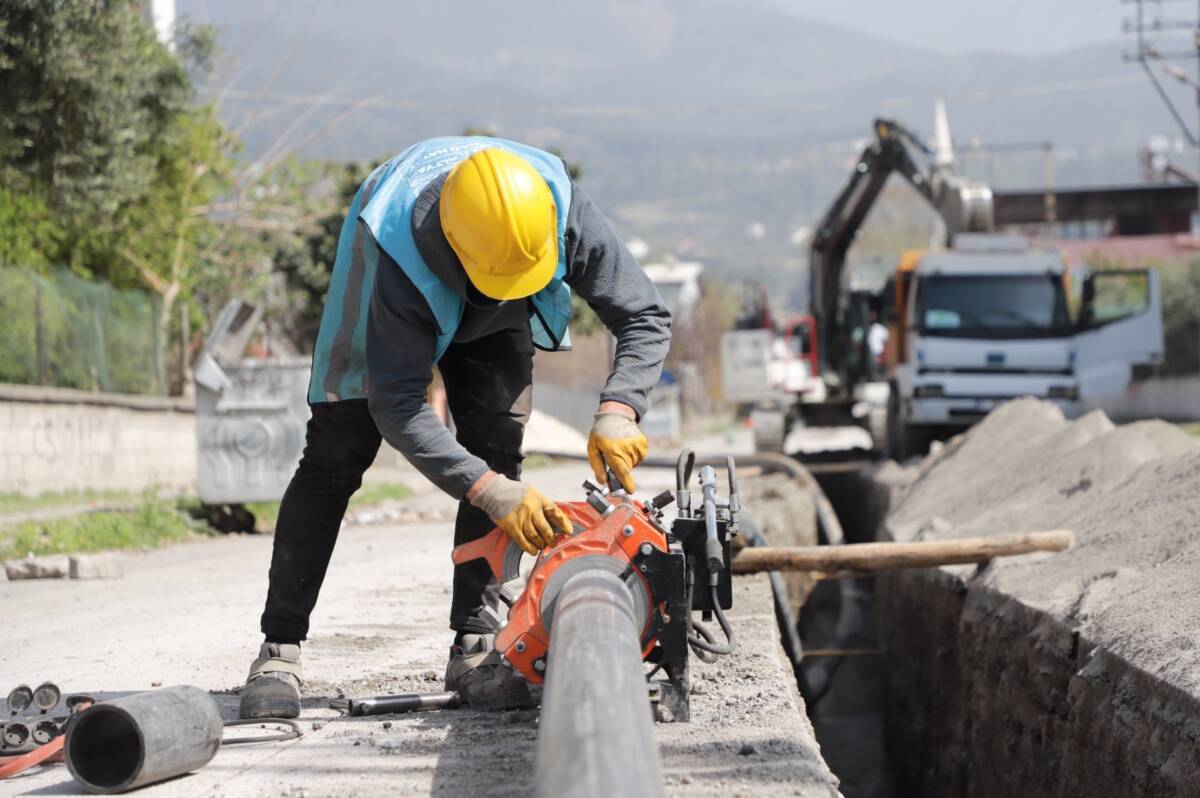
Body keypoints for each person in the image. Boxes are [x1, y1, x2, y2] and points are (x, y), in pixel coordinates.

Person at [239, 137, 672, 718]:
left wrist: (620, 408)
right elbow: (396, 404)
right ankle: (280, 647)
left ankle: (475, 639)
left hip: (498, 267)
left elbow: (643, 313)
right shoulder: (398, 251)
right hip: (391, 274)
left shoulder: (556, 213)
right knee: (335, 453)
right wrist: (489, 491)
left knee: (497, 440)